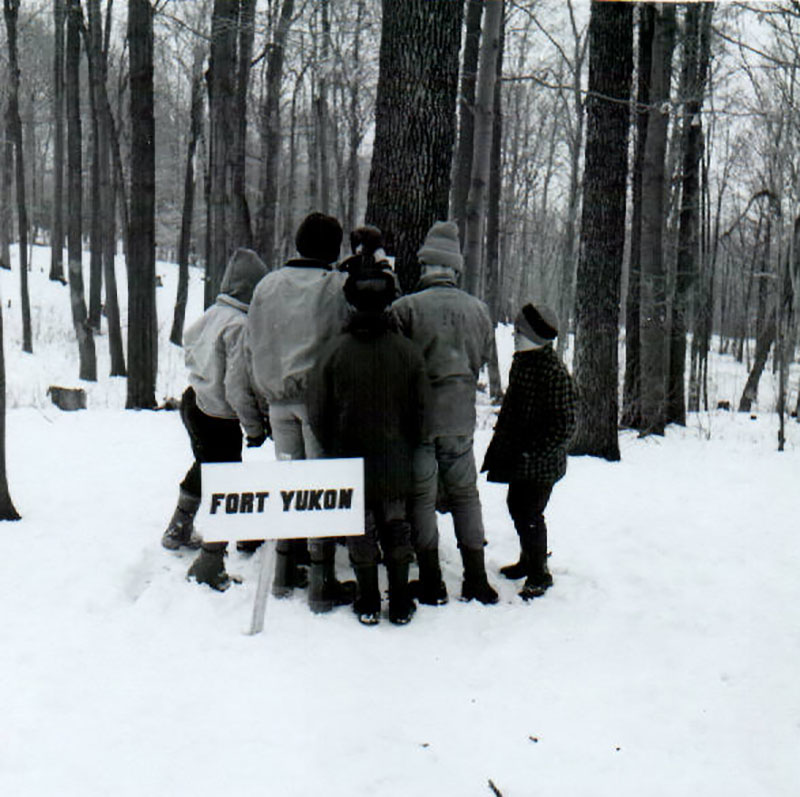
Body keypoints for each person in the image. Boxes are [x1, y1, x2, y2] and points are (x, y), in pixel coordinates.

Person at [246, 211, 354, 612]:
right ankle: (321, 581)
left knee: (289, 484)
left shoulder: (267, 285)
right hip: (317, 402)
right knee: (319, 488)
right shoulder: (335, 287)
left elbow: (250, 340)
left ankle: (284, 571)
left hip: (276, 400)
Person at [307, 263, 426, 625]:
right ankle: (401, 599)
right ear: (389, 303)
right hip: (394, 454)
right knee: (396, 524)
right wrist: (406, 441)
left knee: (359, 526)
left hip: (348, 454)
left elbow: (317, 410)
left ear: (351, 303)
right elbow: (421, 410)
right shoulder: (407, 352)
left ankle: (368, 599)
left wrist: (335, 442)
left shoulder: (333, 352)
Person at [392, 220, 498, 606]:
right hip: (460, 418)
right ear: (455, 269)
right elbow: (482, 359)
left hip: (419, 420)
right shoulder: (479, 311)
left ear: (424, 266)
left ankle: (432, 580)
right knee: (466, 495)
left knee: (421, 498)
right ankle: (476, 578)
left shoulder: (405, 309)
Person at [162, 248, 269, 592]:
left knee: (205, 466)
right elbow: (237, 385)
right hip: (220, 414)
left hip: (193, 401)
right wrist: (253, 426)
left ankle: (178, 528)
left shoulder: (212, 314)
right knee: (228, 482)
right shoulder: (239, 325)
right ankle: (217, 555)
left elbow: (189, 345)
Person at [481, 302, 577, 600]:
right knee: (516, 506)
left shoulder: (554, 373)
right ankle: (528, 559)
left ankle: (539, 572)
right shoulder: (523, 361)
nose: (514, 335)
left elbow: (564, 425)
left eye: (519, 331)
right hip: (521, 457)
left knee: (530, 512)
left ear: (535, 337)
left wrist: (533, 451)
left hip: (541, 463)